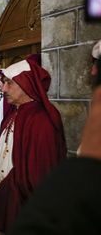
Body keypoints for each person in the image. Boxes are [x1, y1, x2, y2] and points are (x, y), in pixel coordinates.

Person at [7, 41, 101, 235]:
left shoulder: (42, 119)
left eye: (97, 66)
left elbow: (41, 175)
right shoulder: (22, 113)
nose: (91, 72)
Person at [0, 58, 66, 233]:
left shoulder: (42, 120)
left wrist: (0, 193)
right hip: (4, 201)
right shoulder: (12, 115)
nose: (4, 88)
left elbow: (37, 177)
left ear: (26, 84)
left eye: (9, 83)